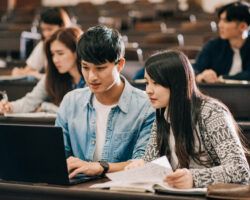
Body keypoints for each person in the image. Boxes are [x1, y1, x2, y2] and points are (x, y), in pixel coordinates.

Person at [125, 50, 250, 188]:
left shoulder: (212, 113)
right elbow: (152, 161)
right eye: (147, 82)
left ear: (177, 84)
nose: (148, 90)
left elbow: (240, 170)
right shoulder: (162, 112)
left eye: (156, 83)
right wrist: (141, 166)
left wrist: (194, 178)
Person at [55, 25, 155, 178]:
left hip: (123, 191)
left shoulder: (146, 106)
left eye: (100, 68)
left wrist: (101, 167)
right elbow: (58, 155)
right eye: (85, 67)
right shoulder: (71, 101)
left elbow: (143, 162)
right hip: (76, 187)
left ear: (120, 65)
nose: (91, 77)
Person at [0, 27, 84, 114]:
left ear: (76, 52)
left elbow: (78, 114)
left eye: (60, 53)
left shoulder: (90, 78)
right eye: (52, 54)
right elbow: (29, 102)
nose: (55, 59)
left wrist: (46, 106)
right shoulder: (52, 77)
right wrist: (9, 107)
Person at [194, 1, 250, 83]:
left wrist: (222, 78)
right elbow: (195, 69)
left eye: (225, 21)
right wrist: (201, 76)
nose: (220, 25)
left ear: (242, 26)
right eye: (220, 20)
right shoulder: (213, 45)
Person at [11, 7, 72, 79]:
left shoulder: (73, 43)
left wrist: (37, 75)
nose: (45, 34)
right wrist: (21, 73)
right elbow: (28, 70)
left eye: (50, 29)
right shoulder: (44, 44)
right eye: (43, 29)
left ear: (62, 26)